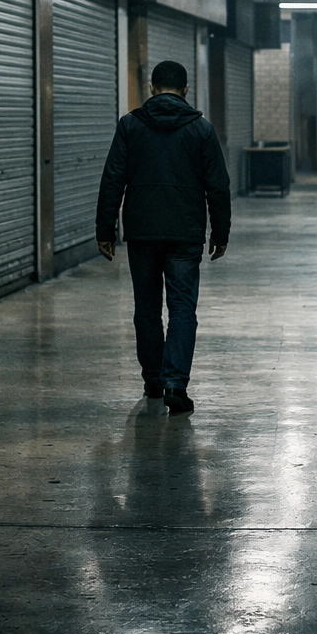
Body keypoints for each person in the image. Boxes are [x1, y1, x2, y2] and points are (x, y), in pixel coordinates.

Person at [95, 60, 232, 415]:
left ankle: (153, 381)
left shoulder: (129, 126)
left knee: (147, 310)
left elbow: (112, 180)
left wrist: (105, 229)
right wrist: (220, 233)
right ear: (186, 90)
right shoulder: (201, 129)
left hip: (141, 232)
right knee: (183, 309)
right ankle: (175, 384)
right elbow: (218, 186)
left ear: (152, 88)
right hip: (185, 233)